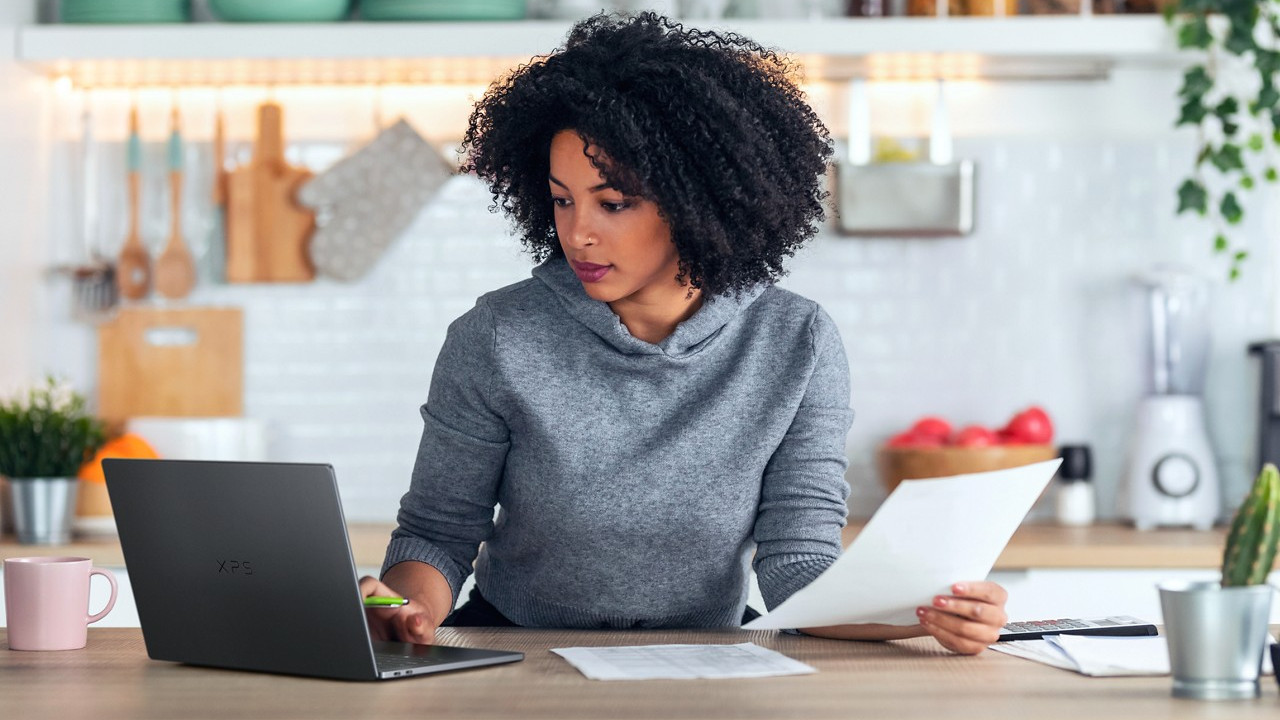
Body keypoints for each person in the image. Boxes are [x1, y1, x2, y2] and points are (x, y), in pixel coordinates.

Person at [360, 12, 1008, 656]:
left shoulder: (796, 343)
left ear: (700, 201)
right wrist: (403, 608)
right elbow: (438, 536)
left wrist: (925, 613)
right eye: (562, 199)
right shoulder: (496, 337)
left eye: (613, 203)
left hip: (710, 654)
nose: (578, 231)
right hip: (517, 649)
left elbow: (798, 566)